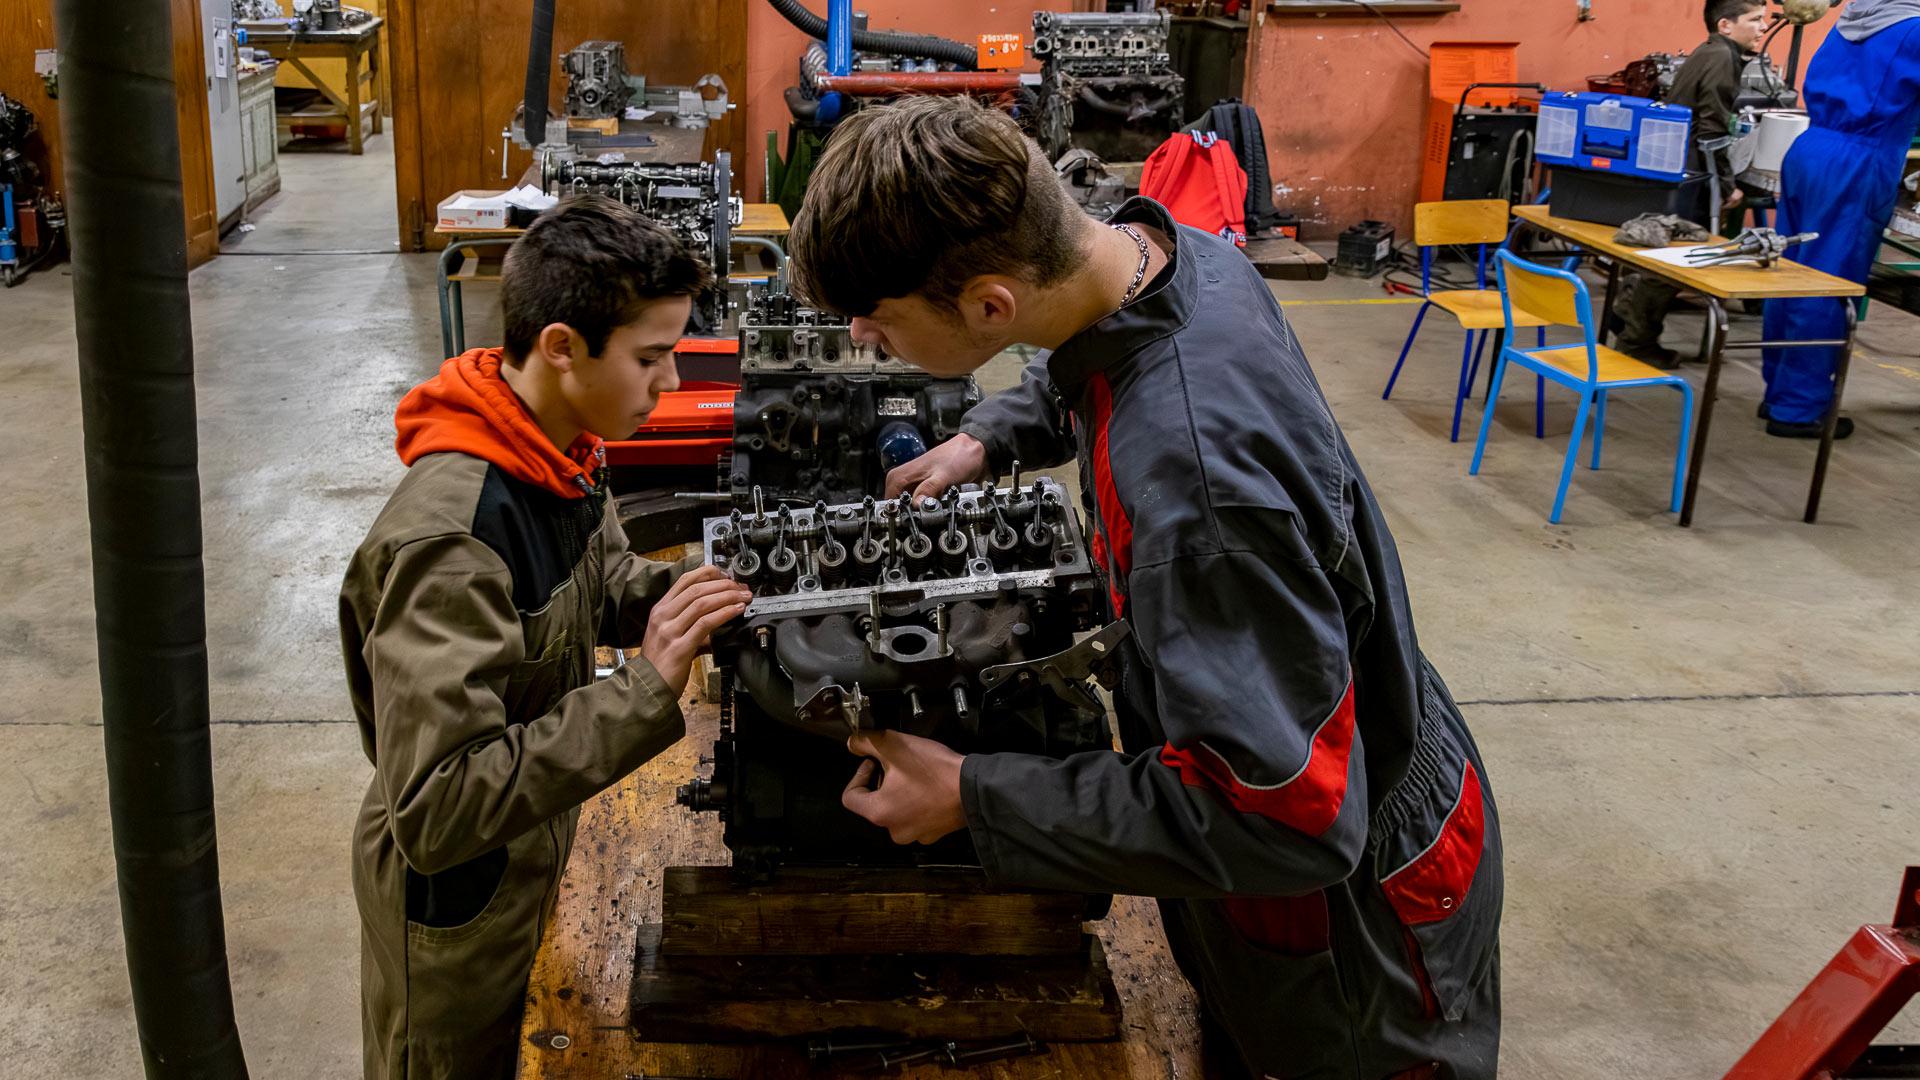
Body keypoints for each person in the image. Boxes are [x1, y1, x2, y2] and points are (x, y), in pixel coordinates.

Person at [790, 96, 1503, 1080]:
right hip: (1327, 728)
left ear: (991, 306)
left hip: (1353, 912)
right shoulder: (1175, 256)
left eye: (879, 325)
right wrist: (984, 437)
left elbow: (1286, 821)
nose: (868, 343)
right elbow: (1099, 346)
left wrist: (979, 796)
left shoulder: (1197, 498)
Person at [339, 196, 751, 1080]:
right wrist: (645, 687)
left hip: (530, 855)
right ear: (562, 347)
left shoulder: (557, 448)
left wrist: (709, 599)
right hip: (459, 917)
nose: (672, 384)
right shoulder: (454, 545)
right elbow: (436, 810)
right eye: (652, 357)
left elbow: (598, 585)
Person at [1760, 0, 1920, 439]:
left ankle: (1778, 389)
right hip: (1857, 162)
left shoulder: (1850, 20)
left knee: (1789, 274)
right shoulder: (1913, 30)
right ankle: (1798, 409)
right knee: (1827, 283)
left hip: (1809, 149)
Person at [1614, 0, 1771, 368]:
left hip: (1677, 163)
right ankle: (1637, 341)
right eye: (1754, 20)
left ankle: (1624, 314)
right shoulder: (1722, 58)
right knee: (1678, 258)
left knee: (1665, 253)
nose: (1762, 28)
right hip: (1692, 170)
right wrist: (1728, 184)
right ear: (1726, 25)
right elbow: (1712, 130)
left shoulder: (1709, 51)